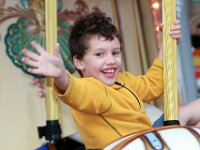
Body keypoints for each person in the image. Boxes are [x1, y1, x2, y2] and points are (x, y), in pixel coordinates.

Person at [21, 11, 182, 149]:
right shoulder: (92, 88)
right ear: (79, 62)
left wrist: (166, 45)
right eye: (99, 54)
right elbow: (77, 92)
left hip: (145, 141)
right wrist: (61, 76)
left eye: (115, 52)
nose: (111, 60)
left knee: (190, 109)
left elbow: (153, 84)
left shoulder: (123, 81)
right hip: (127, 146)